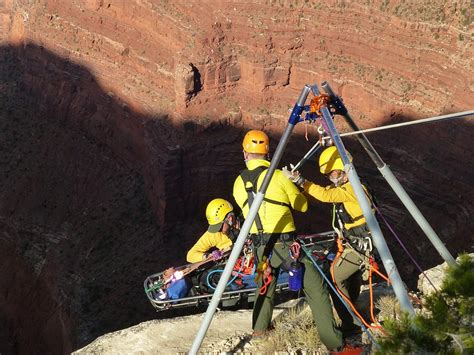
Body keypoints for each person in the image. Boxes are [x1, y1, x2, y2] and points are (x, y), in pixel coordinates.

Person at [233, 130, 345, 352]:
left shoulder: (238, 183)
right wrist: (292, 184)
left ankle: (259, 329)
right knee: (316, 287)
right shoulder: (278, 177)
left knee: (265, 283)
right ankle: (335, 344)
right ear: (267, 153)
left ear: (245, 153)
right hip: (286, 245)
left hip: (259, 246)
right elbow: (302, 206)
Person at [283, 146, 376, 338]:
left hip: (359, 245)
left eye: (332, 173)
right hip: (355, 241)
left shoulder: (352, 189)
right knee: (350, 278)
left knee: (335, 278)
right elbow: (327, 192)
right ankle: (356, 311)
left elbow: (326, 195)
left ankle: (352, 323)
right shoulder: (353, 185)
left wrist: (301, 181)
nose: (330, 178)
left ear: (342, 169)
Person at [186, 198, 240, 263]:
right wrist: (209, 256)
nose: (218, 230)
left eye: (219, 226)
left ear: (230, 219)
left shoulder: (248, 221)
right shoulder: (214, 234)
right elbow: (190, 256)